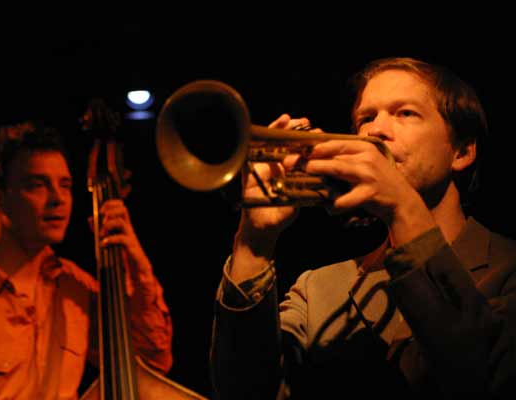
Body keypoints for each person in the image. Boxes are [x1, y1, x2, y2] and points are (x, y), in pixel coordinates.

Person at [210, 57, 516, 399]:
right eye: (365, 118)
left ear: (462, 151)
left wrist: (403, 207)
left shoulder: (508, 269)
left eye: (405, 113)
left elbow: (482, 377)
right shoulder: (318, 290)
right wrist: (253, 243)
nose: (375, 130)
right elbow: (245, 392)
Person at [0, 120, 173, 399]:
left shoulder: (73, 287)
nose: (58, 199)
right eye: (38, 185)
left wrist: (135, 263)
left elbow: (151, 363)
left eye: (65, 185)